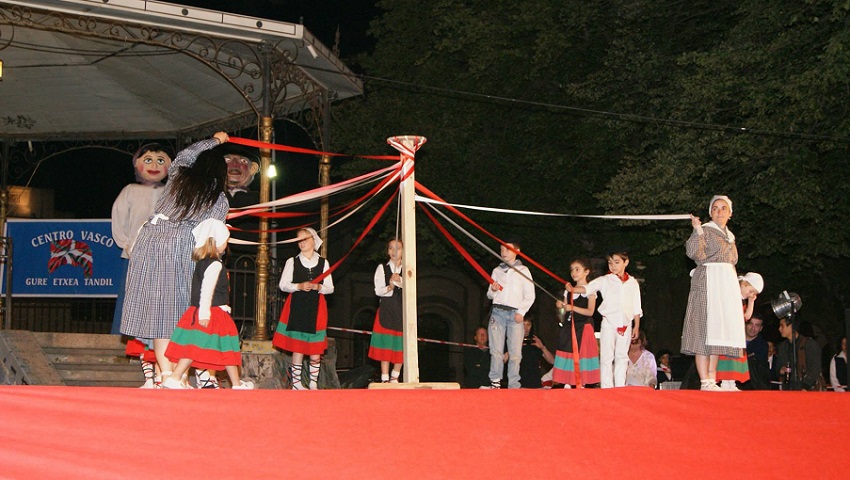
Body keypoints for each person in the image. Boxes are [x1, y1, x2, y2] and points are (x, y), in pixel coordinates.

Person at [120, 132, 231, 382]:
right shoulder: (219, 198)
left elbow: (185, 154)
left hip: (150, 238)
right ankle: (173, 377)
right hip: (182, 243)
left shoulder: (179, 174)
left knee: (157, 311)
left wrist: (215, 140)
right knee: (177, 311)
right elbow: (210, 232)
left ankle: (165, 373)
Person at [162, 219, 254, 390]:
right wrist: (205, 314)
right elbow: (207, 290)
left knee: (202, 347)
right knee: (215, 348)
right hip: (213, 313)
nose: (227, 244)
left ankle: (235, 383)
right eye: (225, 240)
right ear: (217, 241)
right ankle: (175, 377)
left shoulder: (202, 263)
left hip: (203, 311)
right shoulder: (215, 265)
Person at [111, 143, 173, 387]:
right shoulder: (129, 190)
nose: (155, 165)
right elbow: (119, 218)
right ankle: (137, 356)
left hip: (166, 258)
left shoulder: (174, 191)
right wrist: (127, 245)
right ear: (137, 164)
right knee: (136, 306)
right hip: (137, 256)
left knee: (161, 308)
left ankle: (161, 365)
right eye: (148, 160)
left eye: (161, 160)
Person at [681, 195, 745, 392]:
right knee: (703, 329)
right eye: (715, 208)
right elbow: (694, 253)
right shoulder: (706, 231)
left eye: (723, 208)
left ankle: (713, 378)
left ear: (730, 213)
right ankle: (705, 381)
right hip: (708, 282)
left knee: (718, 332)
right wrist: (697, 230)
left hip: (724, 286)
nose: (719, 212)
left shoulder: (729, 236)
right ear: (710, 212)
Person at [566, 249, 642, 388]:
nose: (613, 266)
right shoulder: (605, 280)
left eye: (617, 262)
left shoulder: (632, 283)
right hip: (608, 323)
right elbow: (588, 288)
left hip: (625, 323)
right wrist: (573, 289)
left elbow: (637, 306)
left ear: (626, 262)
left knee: (622, 356)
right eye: (610, 262)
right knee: (607, 356)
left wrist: (636, 326)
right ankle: (606, 387)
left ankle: (620, 386)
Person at [273, 228, 334, 390]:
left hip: (317, 307)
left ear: (314, 240)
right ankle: (297, 383)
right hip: (298, 306)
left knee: (315, 347)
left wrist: (318, 286)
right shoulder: (292, 261)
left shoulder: (323, 262)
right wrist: (298, 286)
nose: (302, 242)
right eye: (299, 240)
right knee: (298, 346)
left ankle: (313, 383)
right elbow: (283, 285)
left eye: (305, 239)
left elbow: (330, 288)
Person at [485, 238, 535, 389]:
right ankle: (495, 381)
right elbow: (490, 294)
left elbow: (530, 295)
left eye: (507, 249)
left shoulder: (524, 271)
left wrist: (521, 312)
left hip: (515, 315)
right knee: (496, 350)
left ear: (517, 251)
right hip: (498, 312)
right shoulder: (497, 271)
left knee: (515, 353)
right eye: (501, 249)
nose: (503, 252)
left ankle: (514, 384)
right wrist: (493, 290)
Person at [552, 258, 600, 388]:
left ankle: (583, 381)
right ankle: (568, 380)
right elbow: (564, 312)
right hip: (569, 326)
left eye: (577, 269)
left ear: (586, 272)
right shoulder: (569, 291)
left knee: (581, 353)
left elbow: (590, 312)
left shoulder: (590, 290)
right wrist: (561, 306)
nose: (574, 272)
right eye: (572, 270)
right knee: (567, 350)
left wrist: (571, 307)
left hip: (583, 327)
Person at [716, 272, 764, 391]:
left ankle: (731, 383)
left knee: (735, 358)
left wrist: (751, 302)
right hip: (727, 332)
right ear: (744, 284)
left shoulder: (742, 300)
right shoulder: (731, 294)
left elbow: (746, 316)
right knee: (726, 357)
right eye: (751, 290)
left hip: (736, 333)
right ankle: (724, 383)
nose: (751, 294)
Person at [368, 239, 404, 383]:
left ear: (403, 251)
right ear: (388, 251)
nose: (394, 251)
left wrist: (401, 281)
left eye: (398, 248)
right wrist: (390, 286)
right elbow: (378, 291)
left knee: (400, 346)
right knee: (386, 346)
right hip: (386, 311)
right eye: (391, 248)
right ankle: (384, 378)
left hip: (402, 312)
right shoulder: (382, 268)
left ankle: (395, 376)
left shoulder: (409, 268)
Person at [776, 315, 823, 391]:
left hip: (808, 389)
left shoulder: (809, 344)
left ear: (791, 326)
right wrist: (780, 370)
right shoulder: (782, 346)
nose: (779, 329)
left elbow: (815, 368)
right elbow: (778, 367)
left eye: (782, 326)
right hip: (789, 388)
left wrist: (805, 386)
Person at [516, 316, 554, 388]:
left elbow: (552, 361)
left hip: (535, 385)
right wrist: (515, 348)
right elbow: (504, 360)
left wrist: (543, 348)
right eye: (523, 324)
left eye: (528, 325)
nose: (526, 328)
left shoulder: (536, 340)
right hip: (517, 385)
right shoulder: (512, 340)